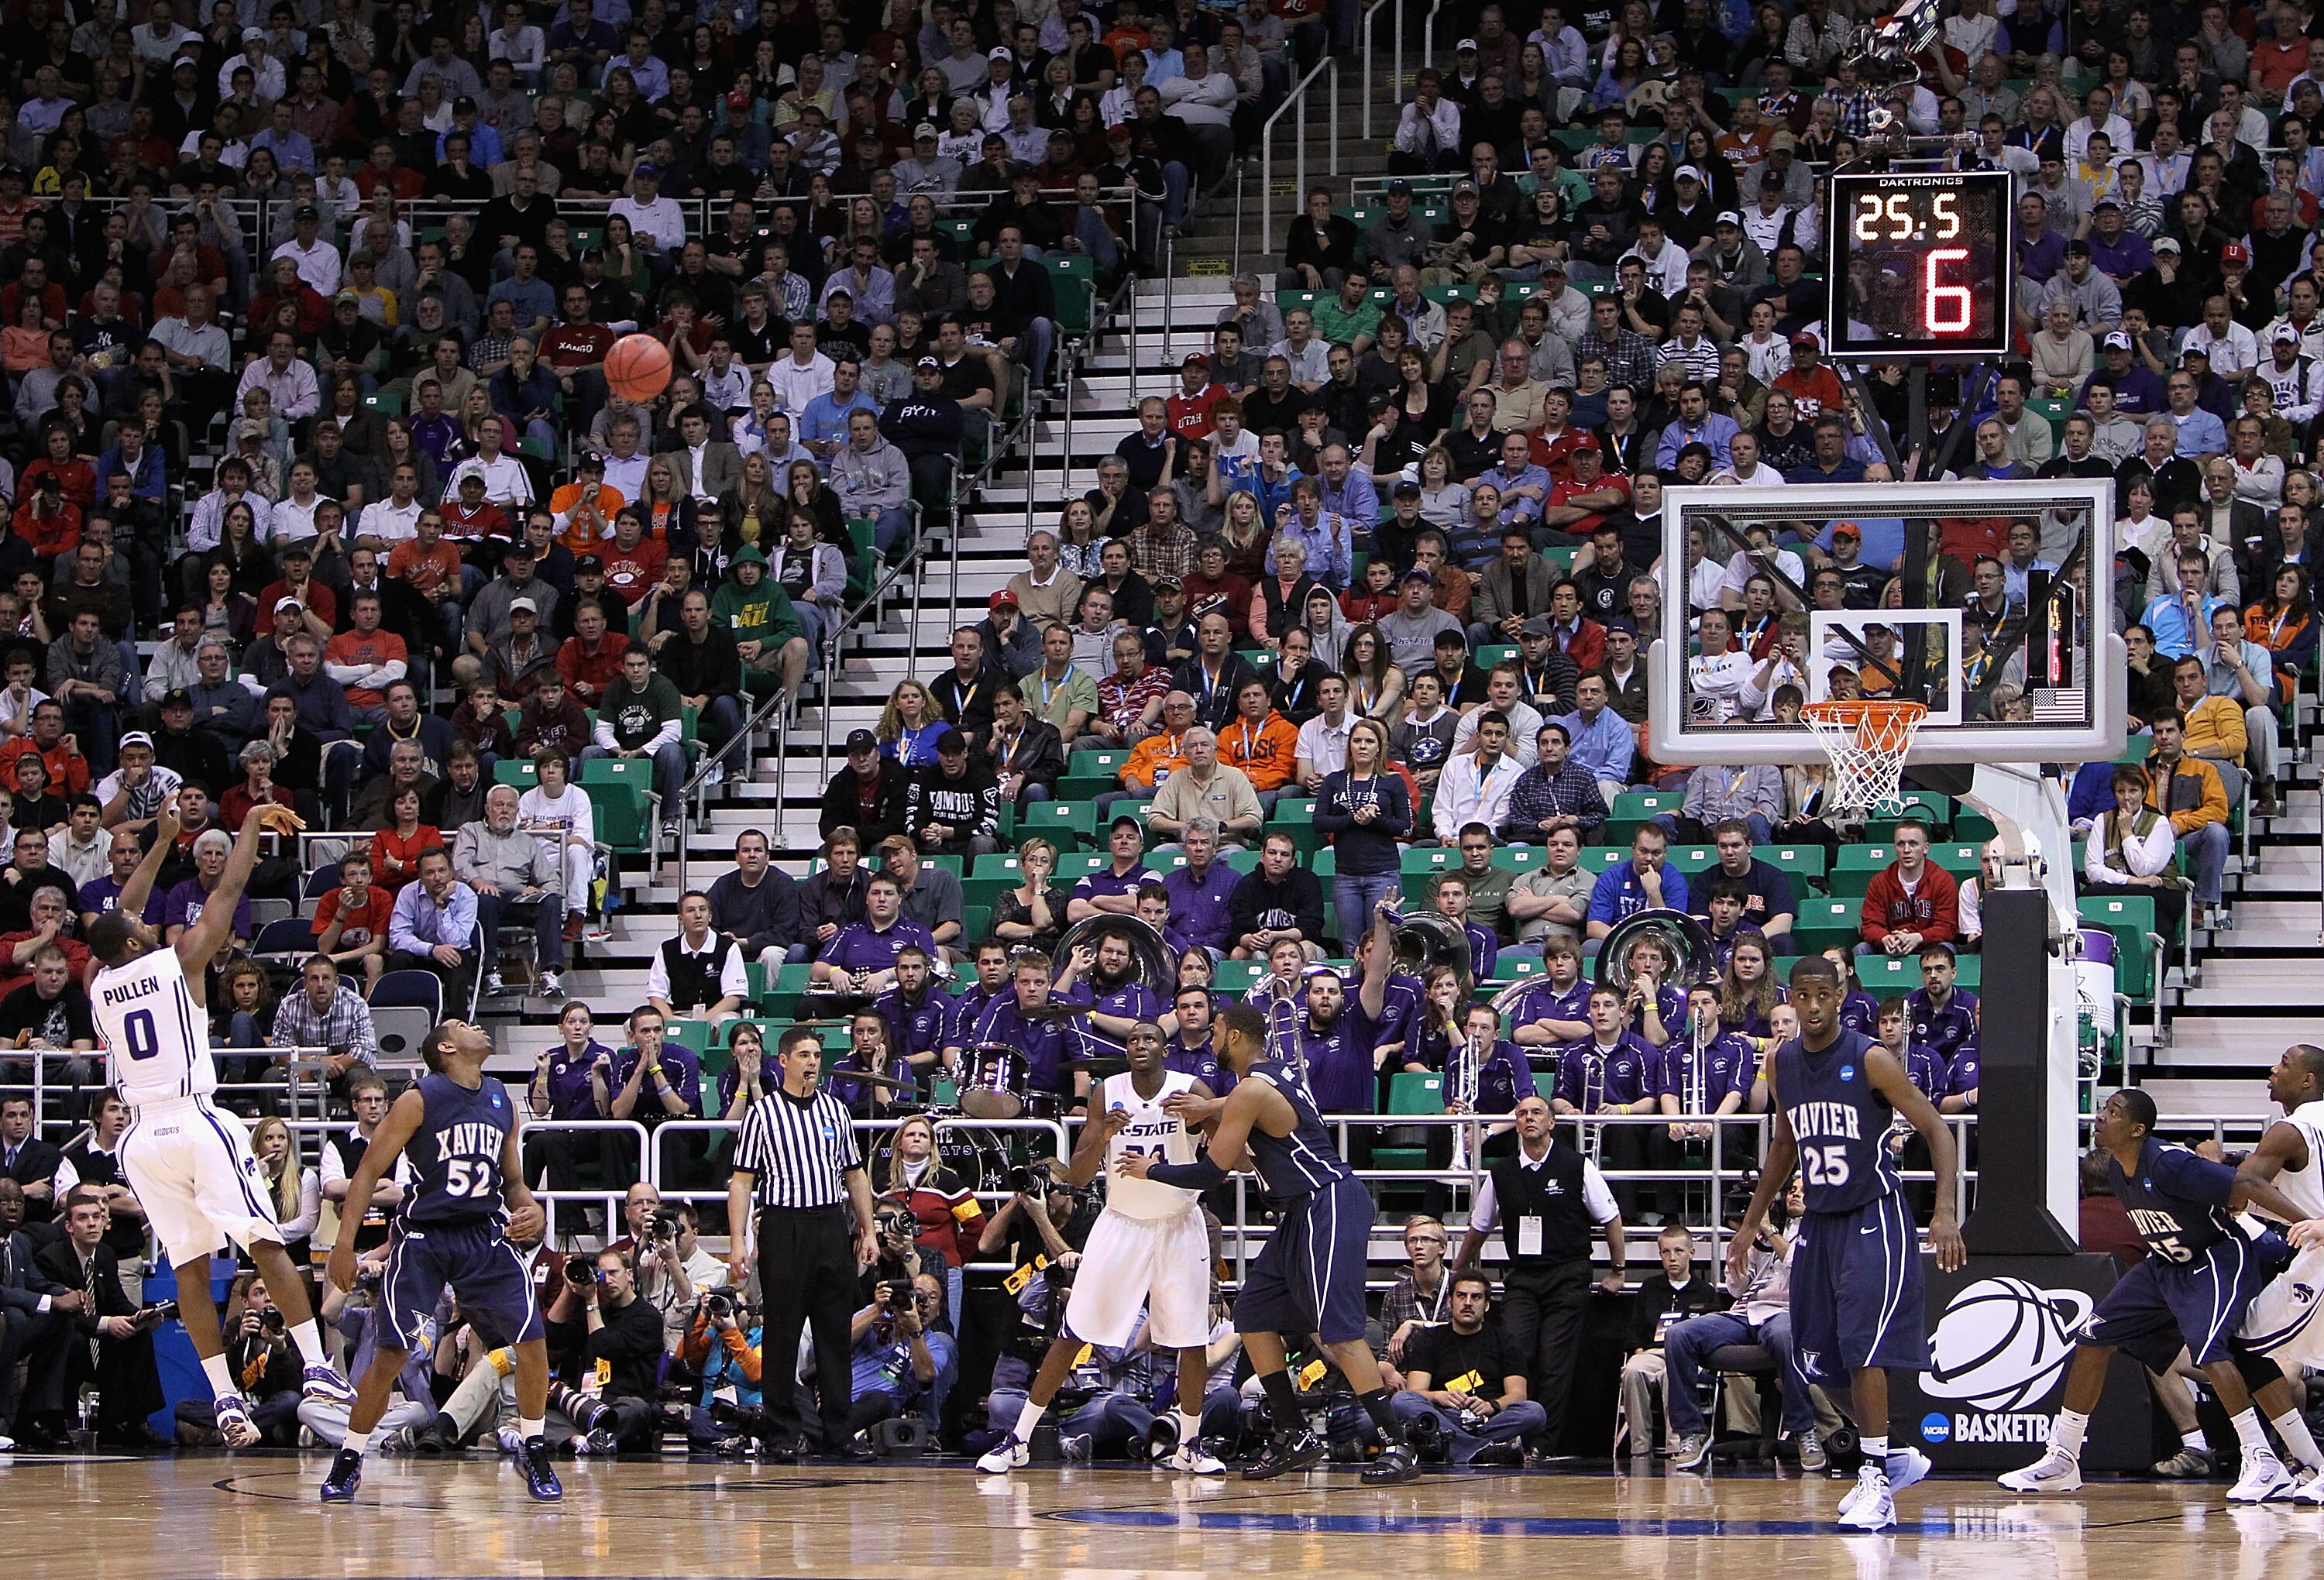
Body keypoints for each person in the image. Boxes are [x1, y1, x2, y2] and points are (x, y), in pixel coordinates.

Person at [1118, 907, 1421, 1485]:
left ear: (1234, 1034)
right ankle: (1291, 1433)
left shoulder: (1252, 1089)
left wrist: (1151, 1169)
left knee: (1340, 1333)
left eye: (1213, 1034)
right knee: (1254, 1313)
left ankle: (1397, 1441)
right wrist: (1211, 1110)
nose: (1208, 1042)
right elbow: (1249, 1122)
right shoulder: (1271, 1075)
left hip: (1328, 1200)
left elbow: (1211, 1175)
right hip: (1298, 1210)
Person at [86, 800, 354, 1448]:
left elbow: (124, 913)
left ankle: (226, 1400)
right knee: (263, 1241)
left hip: (141, 1139)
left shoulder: (97, 987)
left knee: (188, 1266)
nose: (147, 920)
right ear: (133, 939)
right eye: (137, 924)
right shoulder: (178, 960)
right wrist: (253, 825)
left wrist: (162, 841)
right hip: (193, 1118)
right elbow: (229, 890)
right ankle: (318, 1366)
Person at [1725, 954, 1965, 1531]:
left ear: (1839, 998)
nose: (1810, 1007)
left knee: (1862, 1350)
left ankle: (1876, 1476)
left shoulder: (1871, 1058)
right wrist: (1751, 1221)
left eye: (1821, 996)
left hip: (1873, 1215)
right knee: (1816, 1358)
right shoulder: (1780, 1060)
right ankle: (1897, 1456)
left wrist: (1947, 1211)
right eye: (1801, 996)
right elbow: (1784, 1144)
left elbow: (1936, 1129)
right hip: (1821, 1224)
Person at [2001, 1087, 2322, 1502]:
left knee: (2215, 1352)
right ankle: (2064, 1458)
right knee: (2093, 1340)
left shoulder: (2170, 1161)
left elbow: (2245, 1181)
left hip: (2214, 1258)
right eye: (2103, 1109)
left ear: (2137, 1129)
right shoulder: (2118, 1169)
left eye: (2112, 1111)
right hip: (2164, 1265)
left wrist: (2313, 1222)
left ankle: (2261, 1458)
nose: (2100, 1116)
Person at [319, 1018, 559, 1503]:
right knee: (393, 1352)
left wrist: (531, 1208)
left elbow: (513, 1182)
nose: (480, 1029)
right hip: (425, 1237)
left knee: (532, 1341)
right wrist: (343, 1245)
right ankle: (351, 1455)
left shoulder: (500, 1099)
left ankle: (533, 1447)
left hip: (484, 1234)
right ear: (447, 1047)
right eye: (466, 1025)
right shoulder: (418, 1099)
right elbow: (368, 1171)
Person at [976, 1022, 1225, 1474]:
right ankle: (1020, 1439)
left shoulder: (1190, 1088)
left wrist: (1205, 1115)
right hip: (1121, 1225)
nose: (1140, 1045)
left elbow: (1231, 1158)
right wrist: (1105, 1135)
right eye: (1133, 1040)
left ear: (1165, 1049)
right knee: (1075, 1331)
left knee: (1191, 1339)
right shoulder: (1106, 1092)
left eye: (1149, 1039)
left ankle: (1190, 1444)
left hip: (1178, 1223)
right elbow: (1078, 1176)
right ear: (1125, 1050)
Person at [725, 1025, 880, 1462]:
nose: (813, 1061)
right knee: (783, 1334)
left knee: (834, 1334)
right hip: (783, 1225)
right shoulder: (763, 1113)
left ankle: (839, 1433)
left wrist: (867, 1230)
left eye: (817, 1054)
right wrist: (738, 1240)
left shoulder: (835, 1110)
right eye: (804, 1054)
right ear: (784, 1061)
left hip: (830, 1224)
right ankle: (782, 1434)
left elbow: (854, 1175)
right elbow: (741, 1182)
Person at [1388, 1267, 1547, 1466]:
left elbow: (1518, 1394)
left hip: (1489, 1420)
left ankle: (1460, 1447)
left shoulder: (1505, 1340)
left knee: (1534, 1412)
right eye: (1461, 1296)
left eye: (1476, 1297)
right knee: (1401, 1401)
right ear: (1450, 1302)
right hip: (1445, 1417)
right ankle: (1484, 1450)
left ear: (1487, 1305)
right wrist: (1440, 1397)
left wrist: (1492, 1405)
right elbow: (1415, 1391)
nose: (1468, 1303)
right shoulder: (1430, 1339)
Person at [1614, 1225, 1730, 1459]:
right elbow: (1635, 1331)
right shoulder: (1649, 1288)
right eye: (1666, 1252)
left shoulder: (1705, 1292)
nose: (1672, 1258)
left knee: (1674, 1374)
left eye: (1678, 1251)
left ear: (1692, 1253)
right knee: (1633, 1370)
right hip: (1652, 1353)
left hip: (1690, 1357)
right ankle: (1640, 1447)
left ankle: (1678, 1444)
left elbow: (1714, 1335)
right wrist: (1639, 1352)